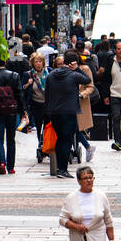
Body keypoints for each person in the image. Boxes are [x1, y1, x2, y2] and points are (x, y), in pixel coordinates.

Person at [44, 51, 91, 179]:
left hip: (54, 112)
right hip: (69, 111)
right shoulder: (74, 75)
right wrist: (77, 69)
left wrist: (48, 112)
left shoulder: (51, 75)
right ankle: (62, 169)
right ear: (73, 63)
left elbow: (46, 95)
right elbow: (87, 80)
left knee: (60, 139)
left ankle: (60, 167)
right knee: (66, 140)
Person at [0, 55, 25, 174]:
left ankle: (2, 162)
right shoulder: (14, 75)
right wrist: (23, 111)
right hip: (12, 111)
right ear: (5, 62)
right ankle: (11, 167)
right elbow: (20, 94)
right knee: (11, 139)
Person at [103, 41, 121, 151]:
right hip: (114, 94)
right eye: (119, 49)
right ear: (115, 51)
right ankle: (118, 141)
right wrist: (106, 95)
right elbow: (106, 79)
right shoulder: (111, 61)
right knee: (116, 118)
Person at [24, 52, 49, 146]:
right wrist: (27, 84)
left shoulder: (49, 72)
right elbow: (22, 89)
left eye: (40, 61)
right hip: (36, 104)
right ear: (33, 63)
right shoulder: (29, 74)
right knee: (38, 125)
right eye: (36, 62)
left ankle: (48, 144)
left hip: (48, 103)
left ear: (43, 62)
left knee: (48, 126)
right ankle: (41, 144)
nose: (38, 63)